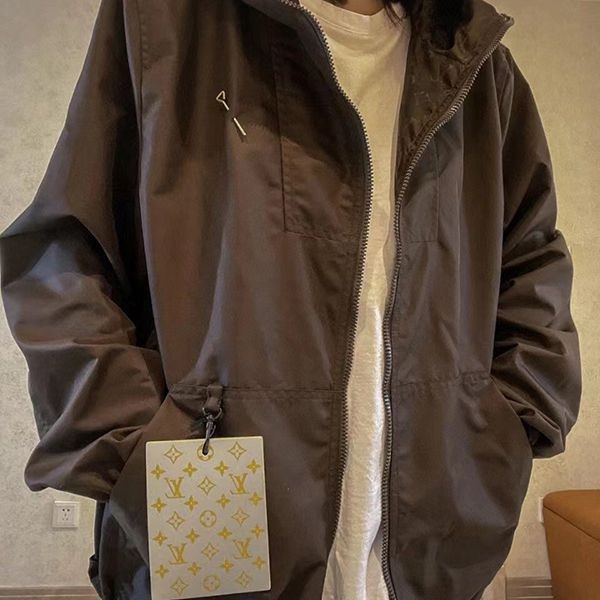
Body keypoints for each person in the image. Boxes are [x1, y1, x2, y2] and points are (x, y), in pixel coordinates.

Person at [0, 0, 581, 599]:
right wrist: (138, 454)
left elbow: (532, 267)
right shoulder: (167, 22)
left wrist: (499, 433)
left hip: (434, 544)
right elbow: (64, 261)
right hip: (208, 506)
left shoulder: (479, 65)